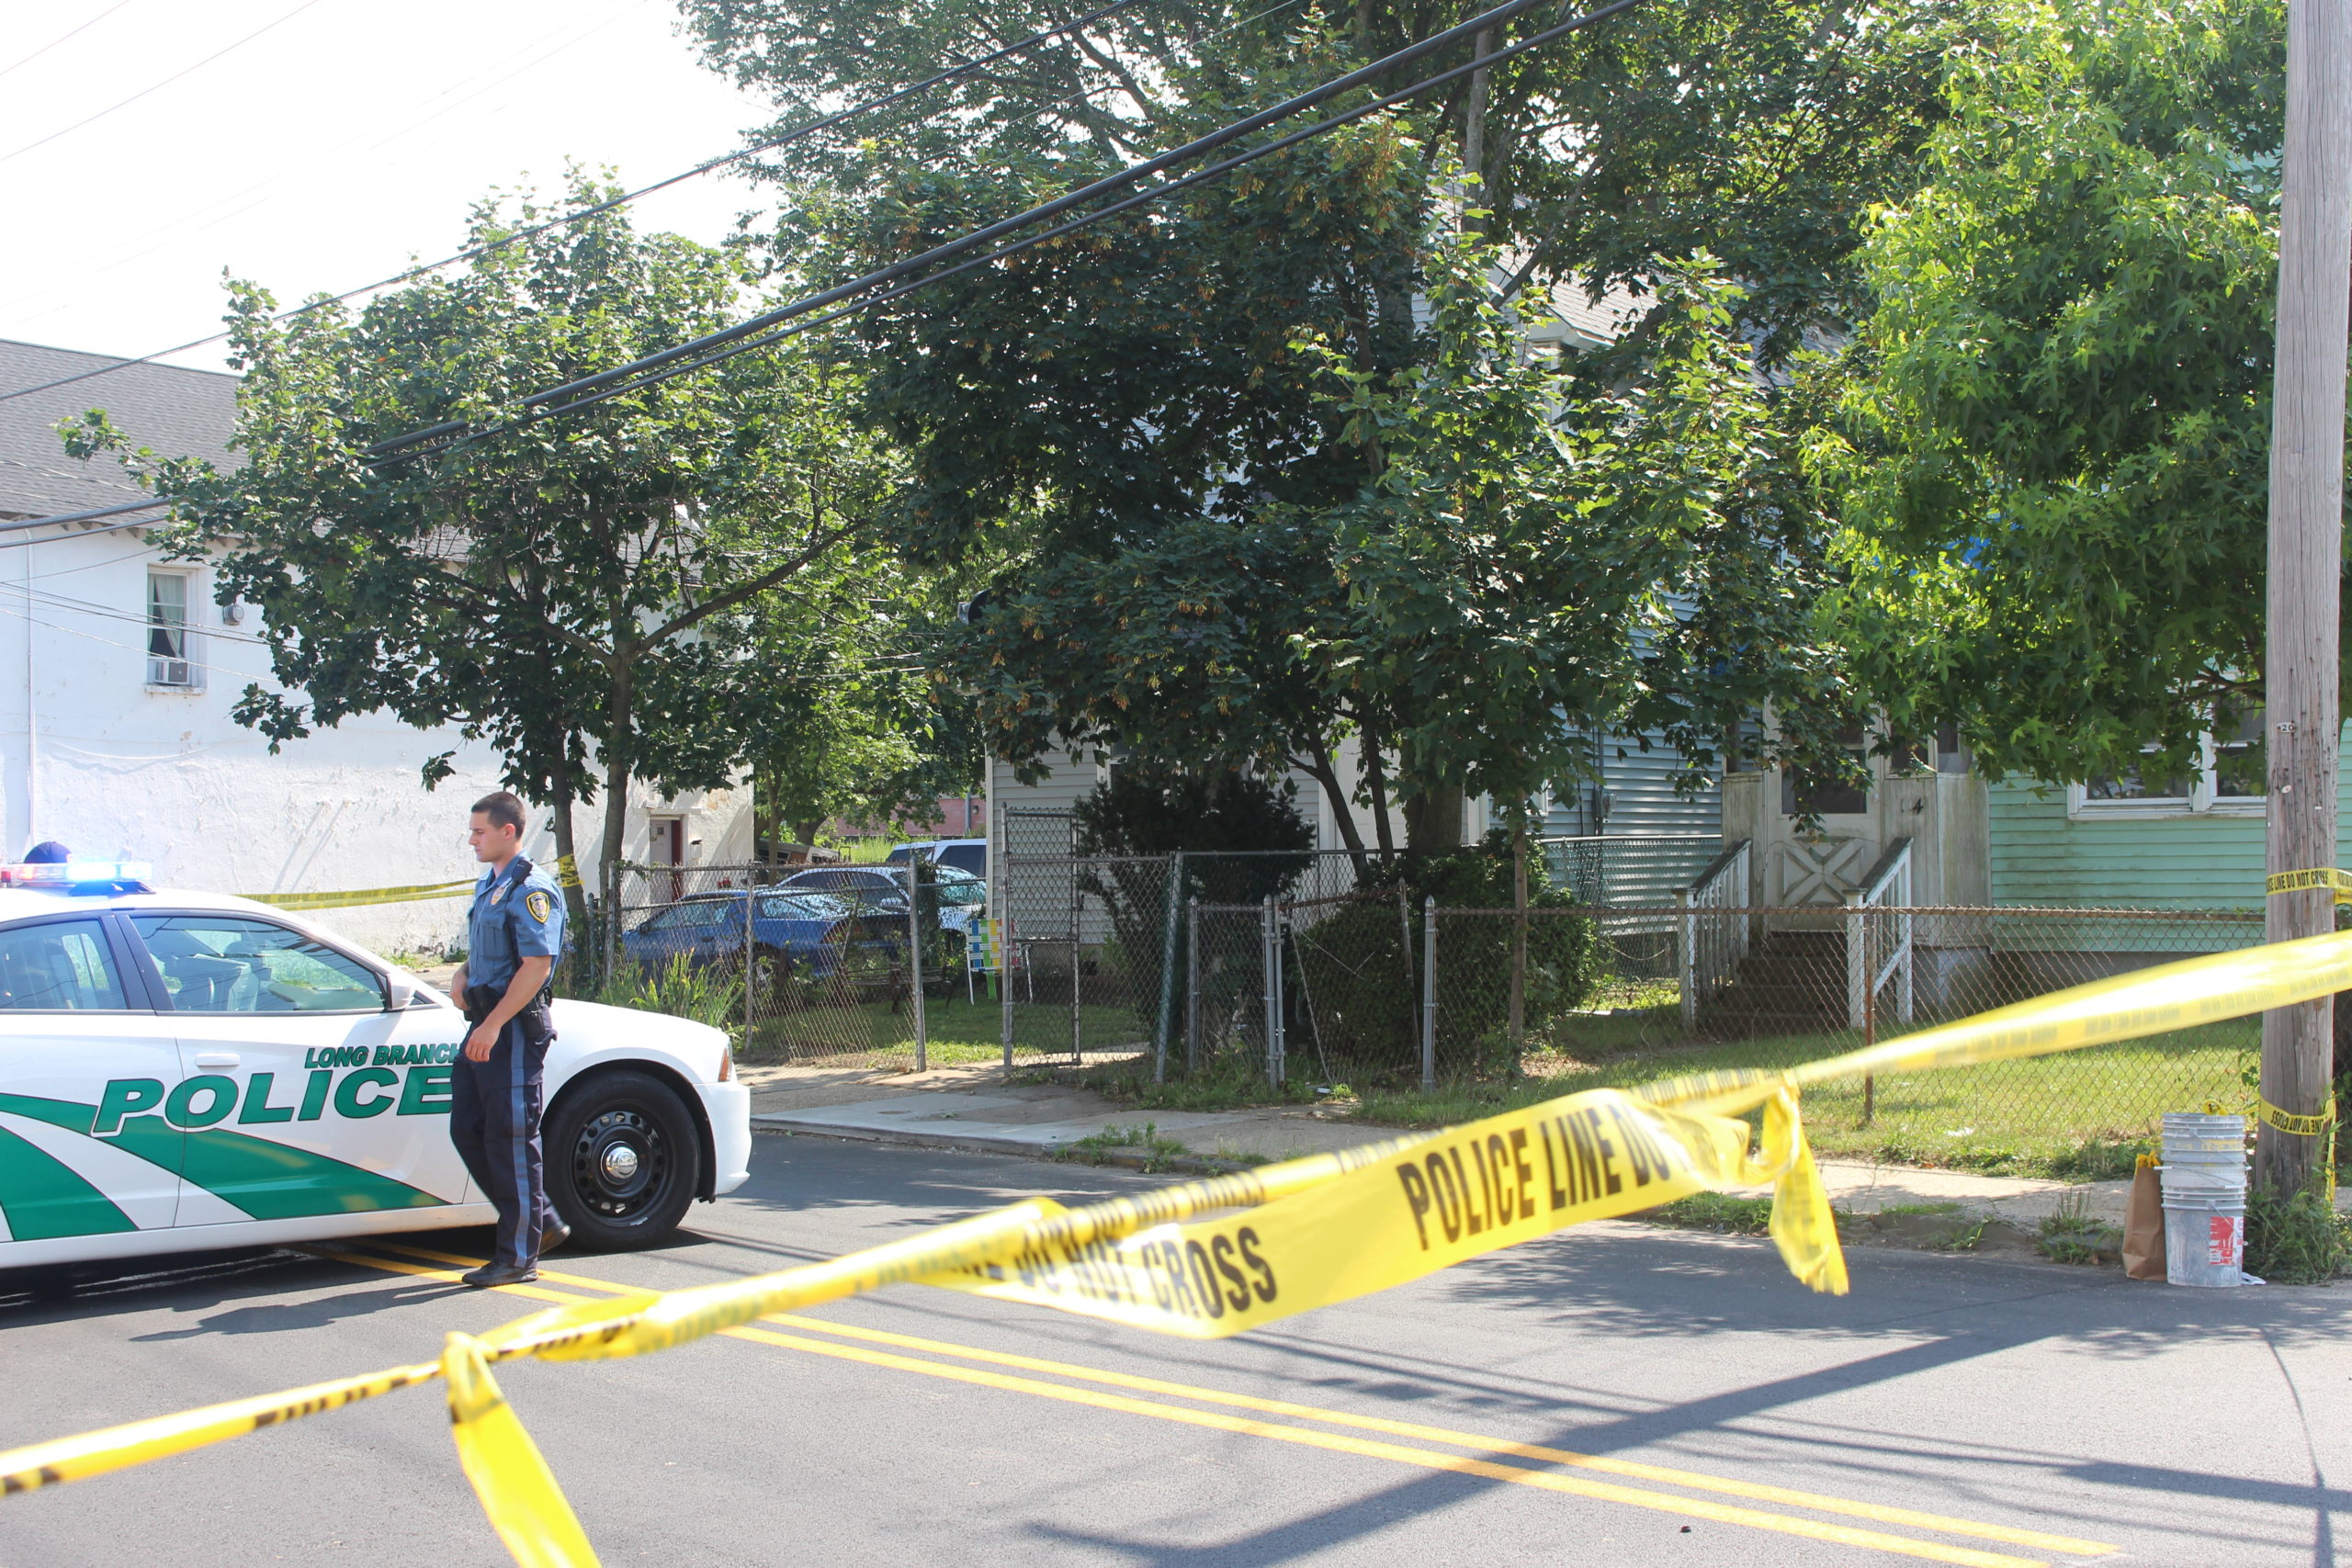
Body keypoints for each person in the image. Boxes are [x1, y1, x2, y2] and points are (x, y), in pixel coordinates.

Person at [447, 791, 568, 1287]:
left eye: (479, 831)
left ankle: (519, 1257)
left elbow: (537, 965)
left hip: (512, 1030)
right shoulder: (489, 885)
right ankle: (541, 1223)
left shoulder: (531, 890)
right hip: (484, 1024)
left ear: (508, 832)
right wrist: (461, 975)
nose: (472, 839)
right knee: (468, 1128)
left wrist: (493, 1024)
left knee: (512, 1140)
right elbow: (487, 951)